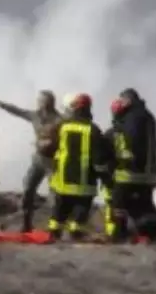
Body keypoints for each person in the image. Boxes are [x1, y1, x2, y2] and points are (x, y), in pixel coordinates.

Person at [39, 93, 115, 242]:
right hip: (84, 181)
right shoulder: (93, 130)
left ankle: (54, 232)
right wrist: (106, 178)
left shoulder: (62, 126)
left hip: (63, 178)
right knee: (81, 209)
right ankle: (75, 231)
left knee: (60, 209)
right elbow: (99, 158)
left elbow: (49, 148)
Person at [0, 90, 61, 232]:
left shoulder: (59, 120)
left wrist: (53, 142)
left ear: (50, 102)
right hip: (38, 160)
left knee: (54, 194)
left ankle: (55, 227)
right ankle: (26, 223)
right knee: (28, 187)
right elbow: (18, 111)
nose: (39, 103)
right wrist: (1, 104)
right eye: (39, 100)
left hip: (53, 162)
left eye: (42, 100)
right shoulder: (35, 116)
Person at [111, 88, 156, 242]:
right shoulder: (148, 116)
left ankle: (120, 235)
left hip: (129, 172)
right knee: (145, 205)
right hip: (149, 173)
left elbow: (128, 142)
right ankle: (150, 235)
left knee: (119, 203)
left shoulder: (131, 118)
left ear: (128, 100)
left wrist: (117, 121)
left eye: (122, 100)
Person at [101, 98, 127, 241]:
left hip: (111, 175)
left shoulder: (109, 134)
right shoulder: (132, 133)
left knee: (111, 204)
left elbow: (103, 156)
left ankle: (112, 232)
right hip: (127, 175)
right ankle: (121, 230)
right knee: (123, 205)